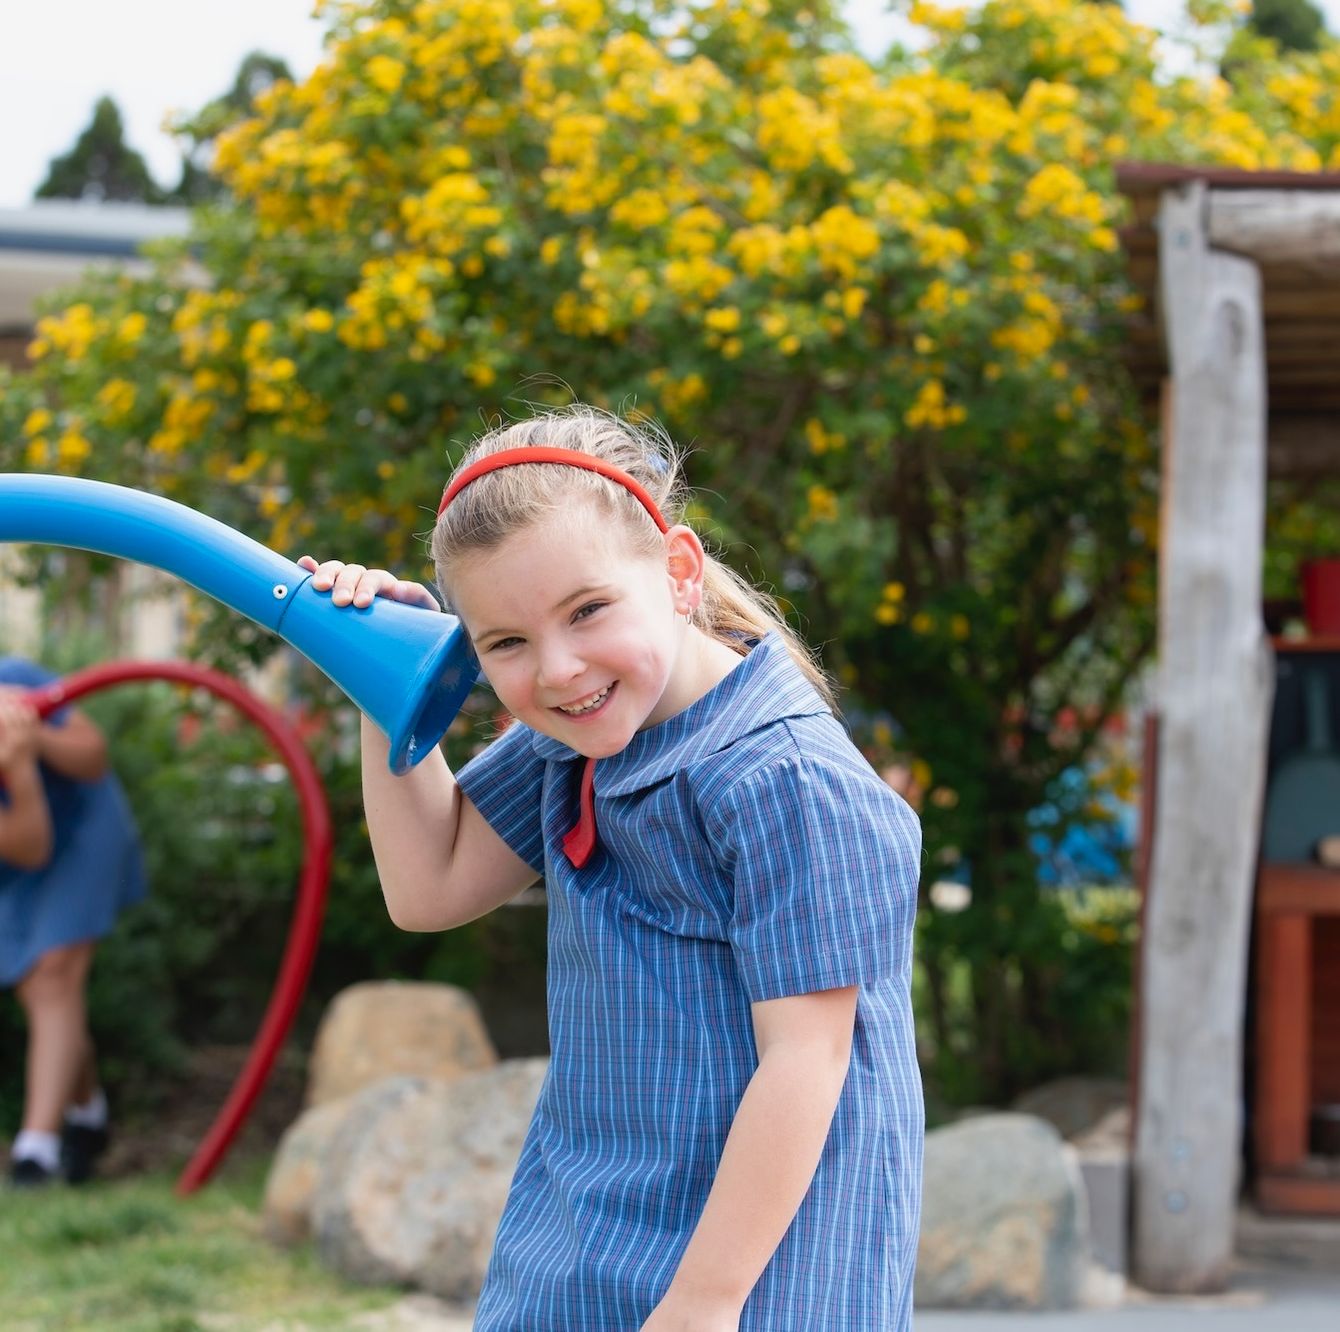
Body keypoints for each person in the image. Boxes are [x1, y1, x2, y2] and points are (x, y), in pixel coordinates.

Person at [299, 406, 924, 1330]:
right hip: (581, 1255)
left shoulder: (785, 779)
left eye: (587, 611)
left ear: (677, 572)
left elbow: (808, 1062)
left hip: (756, 1281)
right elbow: (428, 888)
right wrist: (378, 681)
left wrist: (701, 1308)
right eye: (504, 643)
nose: (557, 669)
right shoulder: (579, 740)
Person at [0, 657, 146, 1188]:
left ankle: (34, 1152)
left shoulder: (14, 676)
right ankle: (88, 1115)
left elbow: (93, 757)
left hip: (86, 830)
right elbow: (30, 847)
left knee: (54, 972)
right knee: (35, 984)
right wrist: (17, 765)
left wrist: (32, 733)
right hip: (25, 845)